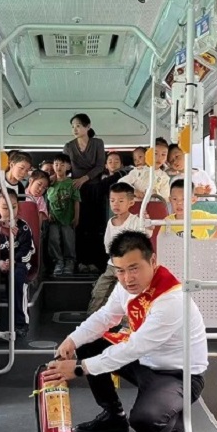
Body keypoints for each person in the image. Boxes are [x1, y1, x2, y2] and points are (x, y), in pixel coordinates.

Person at [43, 231, 207, 432]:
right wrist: (72, 340)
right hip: (144, 362)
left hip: (177, 375)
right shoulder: (124, 287)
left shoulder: (172, 300)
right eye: (120, 270)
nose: (127, 278)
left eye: (134, 268)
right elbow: (106, 317)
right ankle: (113, 416)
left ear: (153, 261)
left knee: (146, 423)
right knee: (87, 344)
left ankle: (177, 421)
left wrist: (80, 368)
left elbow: (135, 347)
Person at [87, 183, 148, 315]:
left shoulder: (136, 221)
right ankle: (93, 317)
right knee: (99, 290)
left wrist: (147, 224)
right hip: (113, 265)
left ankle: (127, 323)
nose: (116, 204)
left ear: (131, 202)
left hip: (129, 267)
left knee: (127, 294)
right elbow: (108, 245)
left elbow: (144, 237)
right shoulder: (111, 222)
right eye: (112, 200)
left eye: (120, 201)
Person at [63, 114, 109, 271]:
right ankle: (81, 261)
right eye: (73, 127)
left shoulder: (97, 143)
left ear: (88, 126)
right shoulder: (69, 146)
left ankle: (95, 262)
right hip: (77, 189)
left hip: (95, 188)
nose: (75, 129)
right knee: (79, 226)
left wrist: (84, 178)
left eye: (78, 126)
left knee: (95, 226)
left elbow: (100, 166)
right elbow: (66, 167)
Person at [0, 192, 35, 339]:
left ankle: (21, 323)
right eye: (5, 208)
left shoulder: (23, 228)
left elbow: (28, 250)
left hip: (19, 263)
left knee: (18, 279)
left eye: (14, 207)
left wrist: (14, 261)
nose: (10, 212)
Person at [47, 153, 81, 276]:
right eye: (56, 164)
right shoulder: (49, 183)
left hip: (68, 218)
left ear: (68, 167)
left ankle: (70, 262)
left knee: (68, 240)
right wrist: (48, 213)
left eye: (62, 164)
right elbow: (45, 201)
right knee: (53, 239)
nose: (59, 167)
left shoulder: (72, 183)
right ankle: (58, 262)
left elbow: (76, 201)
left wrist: (76, 217)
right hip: (53, 219)